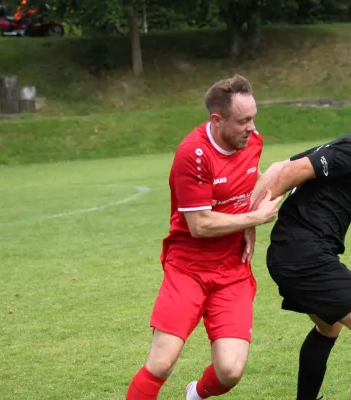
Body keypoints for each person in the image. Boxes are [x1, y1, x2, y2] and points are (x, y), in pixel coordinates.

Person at [125, 74, 284, 400]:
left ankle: (195, 395)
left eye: (254, 117)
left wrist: (247, 224)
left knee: (230, 370)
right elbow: (199, 224)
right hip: (189, 267)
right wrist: (255, 218)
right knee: (161, 362)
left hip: (232, 269)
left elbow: (246, 186)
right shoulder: (193, 154)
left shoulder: (252, 142)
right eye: (243, 121)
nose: (252, 128)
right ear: (217, 119)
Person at [253, 82, 351, 400]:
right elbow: (291, 171)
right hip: (305, 257)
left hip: (290, 255)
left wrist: (250, 213)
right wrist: (252, 220)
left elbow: (278, 166)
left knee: (329, 326)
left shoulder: (345, 146)